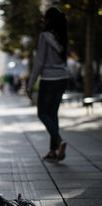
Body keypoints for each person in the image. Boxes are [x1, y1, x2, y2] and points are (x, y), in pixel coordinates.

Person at [26, 7, 68, 162]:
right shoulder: (62, 36)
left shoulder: (44, 36)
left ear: (49, 20)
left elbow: (39, 62)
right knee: (53, 114)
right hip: (62, 79)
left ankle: (58, 140)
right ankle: (52, 151)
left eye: (44, 18)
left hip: (49, 80)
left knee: (42, 113)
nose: (42, 20)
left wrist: (30, 85)